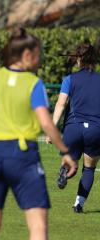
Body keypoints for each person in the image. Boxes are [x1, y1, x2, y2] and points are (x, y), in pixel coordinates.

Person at [0, 28, 76, 240]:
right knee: (37, 228)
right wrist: (65, 151)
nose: (39, 60)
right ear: (27, 55)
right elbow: (46, 122)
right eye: (38, 55)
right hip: (22, 156)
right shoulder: (33, 83)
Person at [49, 42, 100, 213]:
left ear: (79, 59)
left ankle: (65, 169)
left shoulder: (69, 79)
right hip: (95, 129)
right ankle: (79, 204)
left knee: (71, 164)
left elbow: (61, 104)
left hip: (73, 127)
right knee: (89, 168)